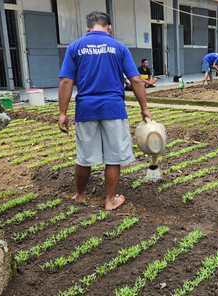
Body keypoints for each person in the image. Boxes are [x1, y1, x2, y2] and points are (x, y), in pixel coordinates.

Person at [57, 11, 152, 211]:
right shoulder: (119, 47)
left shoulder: (75, 47)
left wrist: (62, 113)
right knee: (113, 157)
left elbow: (66, 80)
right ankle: (110, 201)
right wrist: (144, 109)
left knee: (84, 156)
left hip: (86, 109)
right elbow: (136, 81)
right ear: (109, 27)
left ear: (87, 28)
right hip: (113, 109)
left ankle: (80, 195)